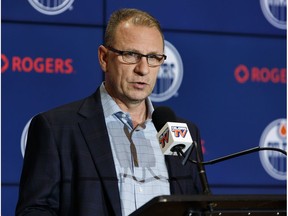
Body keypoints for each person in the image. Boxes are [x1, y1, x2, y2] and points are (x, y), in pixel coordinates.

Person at [16, 8, 205, 216]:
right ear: (104, 58)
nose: (143, 69)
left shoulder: (182, 131)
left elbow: (200, 207)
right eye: (131, 55)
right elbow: (34, 211)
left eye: (153, 57)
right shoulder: (56, 129)